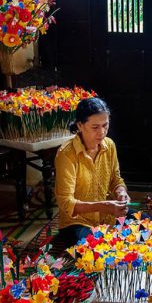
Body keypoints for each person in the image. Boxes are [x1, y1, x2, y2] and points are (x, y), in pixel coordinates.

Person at [55, 97, 130, 244]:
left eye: (105, 125)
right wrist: (105, 206)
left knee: (148, 226)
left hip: (108, 217)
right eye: (95, 127)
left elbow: (116, 179)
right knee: (96, 247)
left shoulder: (109, 146)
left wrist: (121, 192)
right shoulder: (67, 154)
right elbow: (65, 202)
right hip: (77, 222)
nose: (102, 132)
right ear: (80, 125)